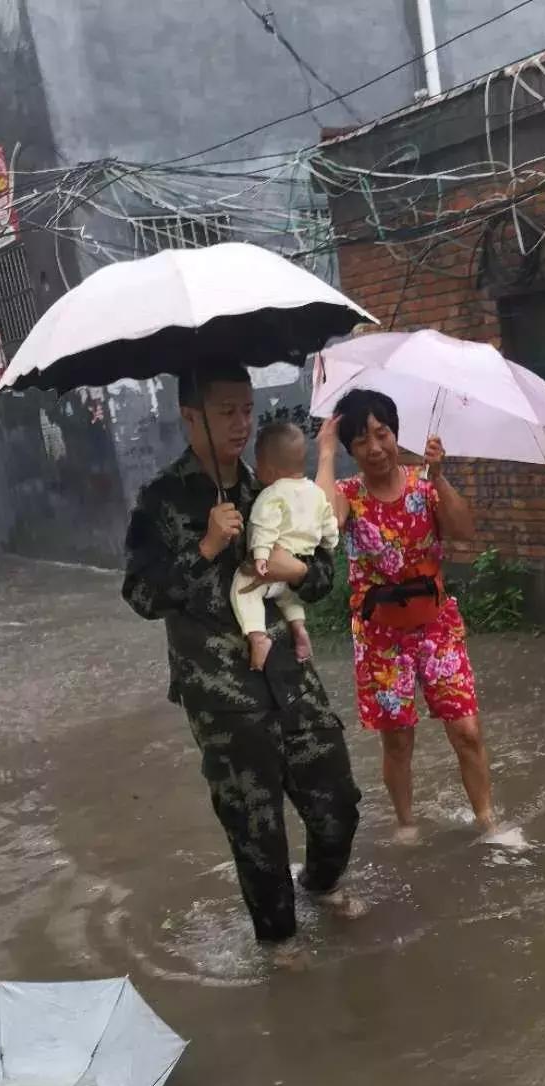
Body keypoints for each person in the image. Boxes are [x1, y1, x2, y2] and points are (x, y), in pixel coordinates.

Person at [121, 363, 363, 968]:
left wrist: (299, 572)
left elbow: (326, 565)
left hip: (287, 670)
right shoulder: (160, 500)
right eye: (226, 409)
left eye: (247, 408)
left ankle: (321, 883)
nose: (241, 421)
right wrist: (205, 547)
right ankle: (279, 940)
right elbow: (142, 597)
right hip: (219, 688)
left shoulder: (273, 486)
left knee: (336, 798)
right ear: (189, 416)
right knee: (255, 822)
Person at [316, 388, 494, 842]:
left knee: (467, 731)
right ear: (351, 450)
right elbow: (324, 527)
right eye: (361, 441)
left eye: (383, 433)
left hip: (436, 626)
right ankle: (407, 825)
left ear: (396, 433)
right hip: (381, 638)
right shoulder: (347, 494)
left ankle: (488, 822)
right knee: (397, 740)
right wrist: (325, 452)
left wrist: (439, 476)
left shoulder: (423, 484)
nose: (375, 448)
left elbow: (463, 531)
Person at [230, 421, 339, 672]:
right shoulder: (316, 493)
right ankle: (299, 628)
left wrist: (260, 556)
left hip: (270, 569)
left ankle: (257, 636)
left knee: (242, 587)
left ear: (268, 468)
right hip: (295, 569)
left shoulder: (271, 494)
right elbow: (329, 526)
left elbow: (262, 526)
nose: (256, 471)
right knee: (288, 600)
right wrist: (329, 543)